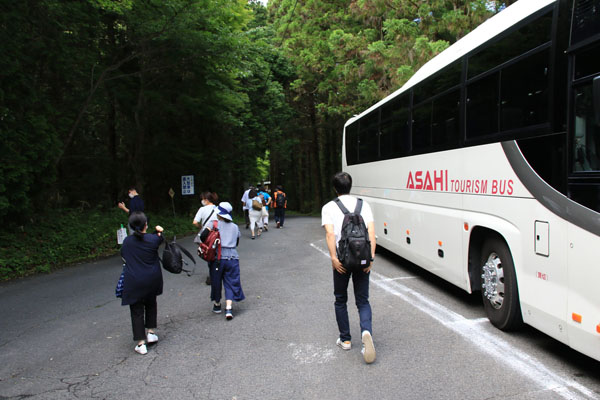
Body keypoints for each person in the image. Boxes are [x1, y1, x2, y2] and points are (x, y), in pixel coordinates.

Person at [321, 172, 376, 364]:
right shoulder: (364, 205)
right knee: (363, 300)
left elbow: (330, 235)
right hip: (362, 259)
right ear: (350, 186)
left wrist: (334, 258)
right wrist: (370, 258)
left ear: (335, 188)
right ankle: (366, 331)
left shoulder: (329, 207)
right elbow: (371, 232)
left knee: (340, 299)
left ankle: (345, 339)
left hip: (342, 260)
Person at [120, 211, 164, 355]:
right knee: (151, 303)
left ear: (131, 226)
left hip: (134, 280)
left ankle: (141, 343)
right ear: (146, 224)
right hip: (152, 278)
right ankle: (150, 332)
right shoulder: (153, 239)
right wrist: (158, 231)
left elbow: (124, 255)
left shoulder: (127, 242)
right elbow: (158, 239)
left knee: (137, 310)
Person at [208, 202, 245, 319]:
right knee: (231, 281)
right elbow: (237, 241)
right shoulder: (235, 226)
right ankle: (229, 308)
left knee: (216, 280)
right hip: (233, 258)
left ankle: (217, 304)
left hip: (217, 257)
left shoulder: (214, 224)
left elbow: (202, 238)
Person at [193, 192, 219, 286]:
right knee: (217, 253)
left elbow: (195, 222)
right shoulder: (217, 209)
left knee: (208, 253)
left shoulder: (202, 209)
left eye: (203, 199)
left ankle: (212, 275)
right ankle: (217, 273)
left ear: (206, 200)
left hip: (206, 235)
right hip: (217, 234)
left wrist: (201, 227)